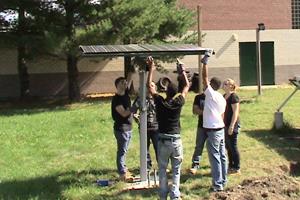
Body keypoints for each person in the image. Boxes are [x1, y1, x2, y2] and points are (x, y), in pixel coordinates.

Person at [147, 56, 189, 200]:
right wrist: (181, 70)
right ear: (175, 93)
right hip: (176, 140)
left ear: (165, 92)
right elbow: (186, 86)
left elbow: (149, 87)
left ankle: (163, 196)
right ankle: (175, 195)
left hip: (163, 140)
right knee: (176, 170)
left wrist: (151, 68)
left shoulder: (160, 102)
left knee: (163, 169)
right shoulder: (178, 102)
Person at [201, 51, 227, 192]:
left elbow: (205, 78)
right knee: (222, 155)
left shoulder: (211, 95)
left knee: (215, 157)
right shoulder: (221, 98)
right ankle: (223, 180)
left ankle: (217, 185)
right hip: (220, 129)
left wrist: (205, 61)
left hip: (213, 130)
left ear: (212, 86)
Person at [111, 72, 137, 181]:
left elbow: (130, 78)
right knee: (121, 151)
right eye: (122, 82)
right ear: (117, 85)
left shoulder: (125, 94)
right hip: (121, 129)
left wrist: (132, 68)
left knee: (125, 150)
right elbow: (124, 113)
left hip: (128, 128)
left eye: (125, 82)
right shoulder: (117, 99)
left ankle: (124, 169)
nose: (125, 84)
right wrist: (135, 106)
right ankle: (122, 173)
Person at [132, 83, 159, 171]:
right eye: (147, 87)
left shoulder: (157, 99)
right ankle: (147, 166)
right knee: (145, 148)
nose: (149, 88)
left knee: (158, 147)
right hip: (144, 127)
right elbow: (133, 111)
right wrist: (135, 116)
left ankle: (162, 165)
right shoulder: (140, 100)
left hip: (156, 127)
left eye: (152, 86)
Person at [223, 78, 241, 174]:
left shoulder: (234, 97)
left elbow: (235, 112)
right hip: (224, 124)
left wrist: (231, 126)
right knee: (227, 146)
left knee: (233, 146)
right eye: (224, 83)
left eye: (226, 83)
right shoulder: (224, 96)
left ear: (231, 86)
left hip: (232, 124)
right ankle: (231, 165)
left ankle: (237, 167)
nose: (224, 85)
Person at [189, 92, 207, 175]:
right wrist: (209, 112)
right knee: (199, 146)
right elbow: (195, 110)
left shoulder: (215, 96)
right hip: (202, 125)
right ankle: (195, 164)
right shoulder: (199, 97)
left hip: (213, 127)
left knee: (216, 147)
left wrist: (202, 111)